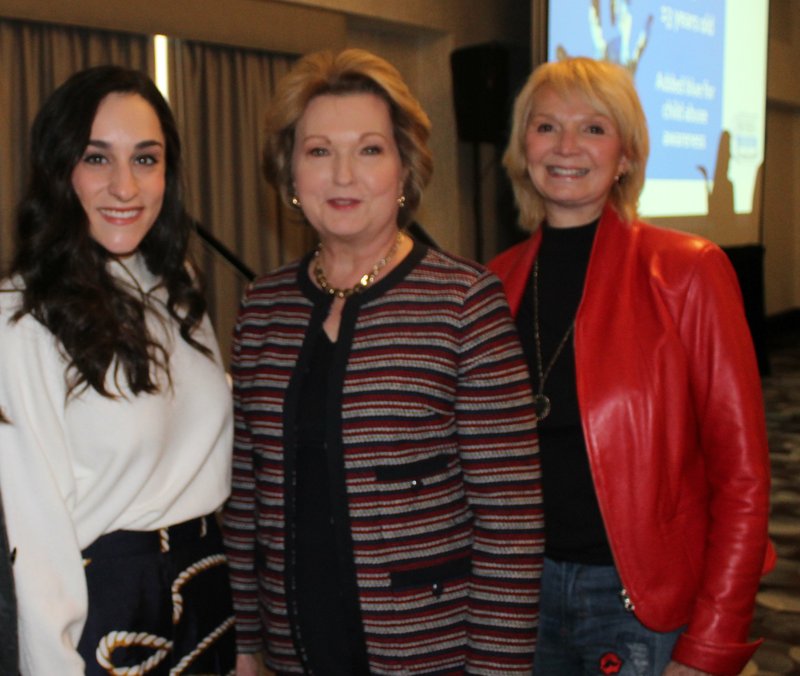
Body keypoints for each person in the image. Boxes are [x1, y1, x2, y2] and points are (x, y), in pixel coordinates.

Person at [223, 48, 543, 675]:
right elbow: (247, 498)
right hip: (295, 651)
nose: (343, 175)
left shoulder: (465, 303)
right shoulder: (263, 306)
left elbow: (511, 523)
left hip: (429, 654)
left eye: (369, 150)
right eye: (318, 151)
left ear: (404, 170)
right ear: (290, 174)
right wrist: (250, 644)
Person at [488, 56, 773, 676]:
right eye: (546, 127)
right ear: (522, 149)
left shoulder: (688, 273)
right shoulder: (491, 283)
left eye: (593, 128)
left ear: (625, 156)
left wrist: (710, 644)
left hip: (637, 606)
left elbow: (742, 478)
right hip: (515, 600)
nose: (566, 146)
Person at [0, 65, 236, 674]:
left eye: (146, 159)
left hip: (210, 587)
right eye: (97, 159)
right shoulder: (22, 317)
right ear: (58, 171)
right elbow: (36, 532)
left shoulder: (177, 290)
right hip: (110, 604)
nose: (125, 187)